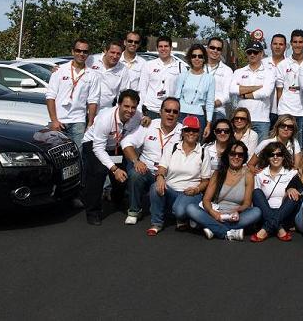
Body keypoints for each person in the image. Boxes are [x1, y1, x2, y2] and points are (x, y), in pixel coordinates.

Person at [82, 89, 142, 225]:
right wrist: (114, 169)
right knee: (98, 172)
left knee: (124, 173)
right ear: (119, 105)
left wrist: (146, 120)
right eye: (126, 106)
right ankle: (93, 211)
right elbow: (98, 148)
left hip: (116, 145)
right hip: (94, 144)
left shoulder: (137, 115)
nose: (130, 111)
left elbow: (142, 121)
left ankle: (117, 200)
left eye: (133, 107)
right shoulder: (105, 118)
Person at [121, 97, 182, 225]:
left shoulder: (183, 131)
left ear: (178, 114)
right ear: (160, 112)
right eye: (167, 110)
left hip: (169, 176)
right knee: (135, 173)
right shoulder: (149, 125)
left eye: (175, 112)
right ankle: (134, 211)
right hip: (147, 171)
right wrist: (136, 161)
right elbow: (126, 142)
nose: (171, 114)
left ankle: (174, 211)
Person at [147, 116, 211, 235]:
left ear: (199, 132)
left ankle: (180, 215)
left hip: (190, 193)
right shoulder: (172, 147)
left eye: (194, 130)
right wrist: (160, 178)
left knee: (179, 211)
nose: (191, 133)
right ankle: (157, 223)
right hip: (171, 190)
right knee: (155, 186)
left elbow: (206, 180)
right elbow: (162, 168)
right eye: (187, 130)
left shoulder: (203, 152)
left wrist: (197, 189)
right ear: (182, 132)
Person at [186, 140, 261, 241]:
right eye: (232, 154)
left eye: (240, 155)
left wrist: (237, 211)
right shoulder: (218, 173)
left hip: (235, 216)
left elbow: (247, 203)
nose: (236, 157)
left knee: (256, 212)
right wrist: (213, 213)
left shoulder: (248, 175)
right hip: (216, 212)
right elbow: (206, 200)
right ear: (227, 155)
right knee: (190, 208)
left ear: (244, 157)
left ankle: (212, 228)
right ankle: (228, 232)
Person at [46, 38, 101, 152]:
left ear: (88, 54)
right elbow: (50, 97)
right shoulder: (59, 70)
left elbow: (93, 101)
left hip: (78, 121)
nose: (81, 54)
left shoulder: (92, 75)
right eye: (78, 50)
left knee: (77, 153)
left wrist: (90, 124)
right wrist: (54, 120)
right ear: (72, 51)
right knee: (57, 154)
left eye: (85, 51)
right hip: (59, 120)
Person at [251, 142, 299, 242]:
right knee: (256, 192)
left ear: (283, 156)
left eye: (279, 154)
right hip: (265, 212)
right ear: (267, 157)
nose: (275, 157)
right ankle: (279, 228)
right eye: (271, 155)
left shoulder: (292, 173)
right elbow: (257, 200)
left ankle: (265, 229)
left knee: (293, 195)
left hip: (285, 213)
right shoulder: (260, 174)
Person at [229, 41, 276, 141]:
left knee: (261, 150)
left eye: (255, 52)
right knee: (240, 149)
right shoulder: (238, 72)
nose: (252, 55)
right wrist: (256, 87)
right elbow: (233, 89)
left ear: (261, 54)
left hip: (261, 120)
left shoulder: (270, 73)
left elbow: (266, 93)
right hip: (242, 119)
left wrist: (244, 94)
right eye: (249, 52)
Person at [139, 36, 186, 120]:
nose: (163, 49)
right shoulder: (148, 65)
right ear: (157, 48)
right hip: (151, 110)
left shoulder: (180, 67)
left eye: (166, 46)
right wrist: (141, 110)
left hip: (170, 111)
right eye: (160, 46)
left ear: (171, 48)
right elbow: (142, 88)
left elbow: (183, 91)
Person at [174, 43, 215, 139]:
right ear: (190, 58)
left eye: (200, 56)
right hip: (181, 115)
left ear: (204, 59)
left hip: (198, 116)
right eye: (194, 56)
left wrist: (208, 125)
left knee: (196, 144)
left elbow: (210, 103)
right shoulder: (182, 76)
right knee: (178, 142)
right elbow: (176, 98)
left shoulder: (210, 79)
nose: (197, 59)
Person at [276, 29, 303, 147]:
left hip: (302, 112)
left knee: (299, 145)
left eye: (300, 42)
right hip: (285, 111)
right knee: (282, 145)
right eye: (295, 42)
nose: (297, 45)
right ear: (291, 43)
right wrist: (281, 108)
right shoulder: (282, 64)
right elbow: (279, 90)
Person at [88, 40, 131, 110]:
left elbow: (123, 94)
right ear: (105, 51)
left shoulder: (123, 69)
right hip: (84, 110)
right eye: (112, 52)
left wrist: (117, 112)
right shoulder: (91, 60)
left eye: (118, 54)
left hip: (105, 111)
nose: (115, 56)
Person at [206, 37, 233, 120]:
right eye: (212, 47)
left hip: (217, 111)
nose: (215, 51)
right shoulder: (199, 67)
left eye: (218, 49)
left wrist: (211, 105)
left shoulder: (227, 70)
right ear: (207, 48)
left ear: (221, 51)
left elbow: (227, 95)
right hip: (199, 110)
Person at [263, 33, 286, 127]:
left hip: (283, 111)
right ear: (270, 45)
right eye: (275, 44)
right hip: (264, 110)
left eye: (281, 44)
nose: (277, 47)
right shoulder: (262, 63)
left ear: (285, 47)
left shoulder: (289, 65)